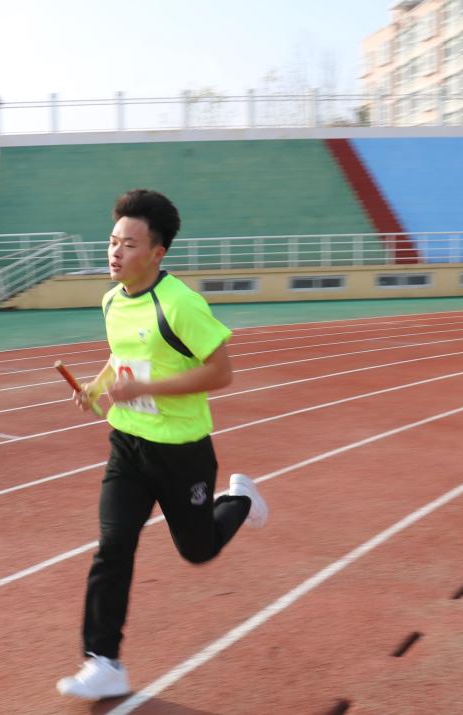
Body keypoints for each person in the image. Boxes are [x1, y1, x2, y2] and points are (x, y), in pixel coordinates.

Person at [57, 189, 268, 700]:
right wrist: (96, 388)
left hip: (181, 451)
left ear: (157, 253)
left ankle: (240, 500)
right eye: (113, 241)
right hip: (128, 445)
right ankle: (103, 661)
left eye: (129, 244)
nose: (116, 252)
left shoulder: (180, 304)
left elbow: (221, 372)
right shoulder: (112, 300)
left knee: (198, 550)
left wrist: (146, 388)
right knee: (113, 547)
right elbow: (120, 356)